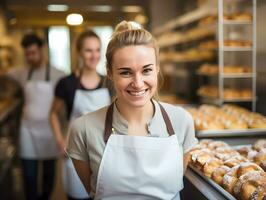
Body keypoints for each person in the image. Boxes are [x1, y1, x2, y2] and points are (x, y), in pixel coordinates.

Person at [66, 21, 198, 200]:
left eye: (147, 70)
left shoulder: (181, 121)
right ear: (110, 73)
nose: (138, 83)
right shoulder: (83, 129)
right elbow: (93, 190)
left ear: (157, 69)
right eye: (126, 72)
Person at [49, 30, 112, 200]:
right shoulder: (66, 84)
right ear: (79, 52)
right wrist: (60, 140)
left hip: (103, 152)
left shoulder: (109, 82)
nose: (94, 55)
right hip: (75, 152)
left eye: (98, 50)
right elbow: (53, 114)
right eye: (88, 50)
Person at [8, 33, 65, 200]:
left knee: (49, 174)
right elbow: (4, 73)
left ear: (42, 50)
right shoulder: (21, 73)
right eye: (27, 54)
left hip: (49, 130)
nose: (30, 57)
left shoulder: (58, 74)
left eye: (33, 53)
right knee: (29, 175)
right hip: (28, 129)